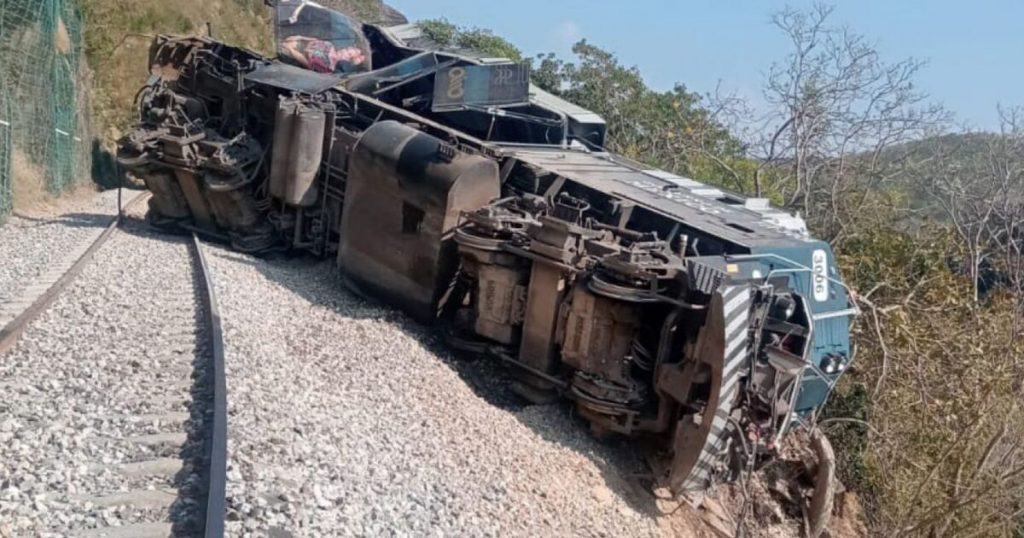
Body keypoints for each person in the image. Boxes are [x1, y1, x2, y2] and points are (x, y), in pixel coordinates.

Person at [279, 35, 366, 74]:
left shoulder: (329, 67)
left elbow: (305, 62)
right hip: (294, 45)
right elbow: (309, 39)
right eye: (346, 49)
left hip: (290, 57)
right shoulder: (329, 45)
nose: (344, 51)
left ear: (347, 60)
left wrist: (289, 49)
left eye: (348, 54)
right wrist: (300, 38)